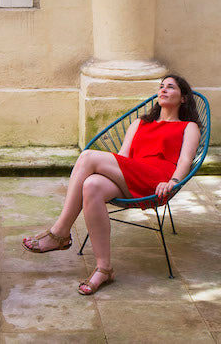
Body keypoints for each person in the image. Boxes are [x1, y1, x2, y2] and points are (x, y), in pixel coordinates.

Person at [22, 74, 201, 295]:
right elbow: (124, 156)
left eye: (170, 87)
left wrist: (173, 181)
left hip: (157, 180)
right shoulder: (140, 123)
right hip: (132, 174)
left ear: (183, 98)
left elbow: (185, 160)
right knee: (92, 185)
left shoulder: (188, 126)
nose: (163, 90)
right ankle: (104, 269)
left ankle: (60, 232)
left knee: (87, 157)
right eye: (161, 86)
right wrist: (109, 171)